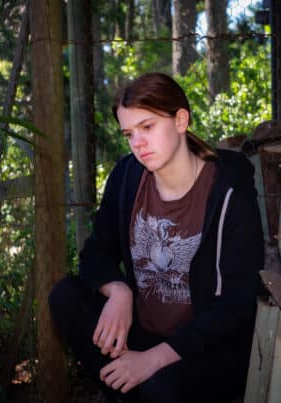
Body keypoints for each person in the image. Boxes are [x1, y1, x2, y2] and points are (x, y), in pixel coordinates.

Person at [49, 72, 264, 403]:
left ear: (180, 120)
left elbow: (236, 305)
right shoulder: (126, 177)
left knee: (160, 386)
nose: (138, 143)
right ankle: (126, 390)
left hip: (206, 349)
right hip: (144, 332)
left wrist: (154, 359)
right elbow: (95, 253)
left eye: (147, 127)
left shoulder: (228, 187)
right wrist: (118, 291)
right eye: (129, 134)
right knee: (65, 296)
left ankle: (135, 387)